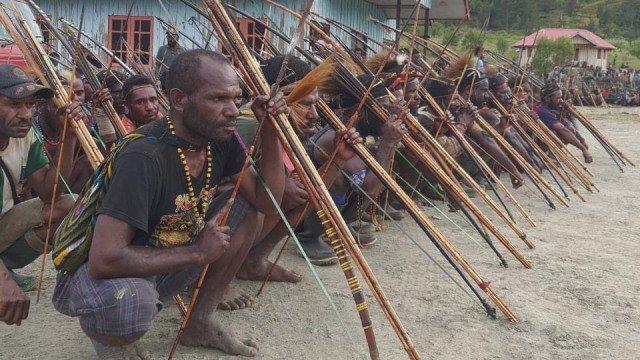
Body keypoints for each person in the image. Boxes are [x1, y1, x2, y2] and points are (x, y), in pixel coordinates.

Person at [52, 49, 289, 358]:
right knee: (131, 304)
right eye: (218, 99)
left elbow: (267, 202)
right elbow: (104, 259)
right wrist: (197, 251)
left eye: (236, 98)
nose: (233, 110)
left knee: (247, 211)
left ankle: (199, 322)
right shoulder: (143, 156)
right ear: (179, 100)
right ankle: (112, 339)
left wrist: (270, 129)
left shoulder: (220, 139)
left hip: (162, 258)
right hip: (98, 277)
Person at [0, 64, 79, 326]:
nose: (26, 114)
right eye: (13, 104)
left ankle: (7, 264)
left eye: (30, 105)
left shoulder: (23, 136)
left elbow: (51, 194)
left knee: (71, 206)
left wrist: (68, 137)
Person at [535, 83, 592, 163]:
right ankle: (546, 154)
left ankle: (552, 152)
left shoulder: (548, 108)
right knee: (566, 130)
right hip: (537, 142)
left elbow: (563, 124)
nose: (561, 101)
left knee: (570, 128)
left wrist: (564, 112)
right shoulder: (543, 111)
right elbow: (563, 131)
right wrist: (583, 149)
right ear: (548, 98)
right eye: (558, 98)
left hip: (542, 138)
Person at [155, 27, 184, 94]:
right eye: (168, 36)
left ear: (177, 37)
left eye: (171, 36)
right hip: (164, 81)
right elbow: (157, 65)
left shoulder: (182, 51)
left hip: (177, 80)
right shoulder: (162, 49)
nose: (169, 38)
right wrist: (157, 80)